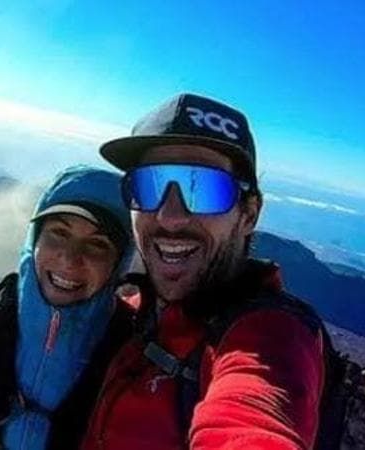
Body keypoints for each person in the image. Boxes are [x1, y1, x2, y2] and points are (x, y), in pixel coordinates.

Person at [78, 94, 329, 450]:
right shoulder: (130, 312)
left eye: (204, 189)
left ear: (249, 214)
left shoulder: (271, 337)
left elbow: (253, 420)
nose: (170, 217)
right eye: (148, 186)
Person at [0, 165, 133, 450]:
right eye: (59, 233)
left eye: (97, 244)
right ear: (35, 239)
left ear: (118, 264)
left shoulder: (131, 347)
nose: (69, 259)